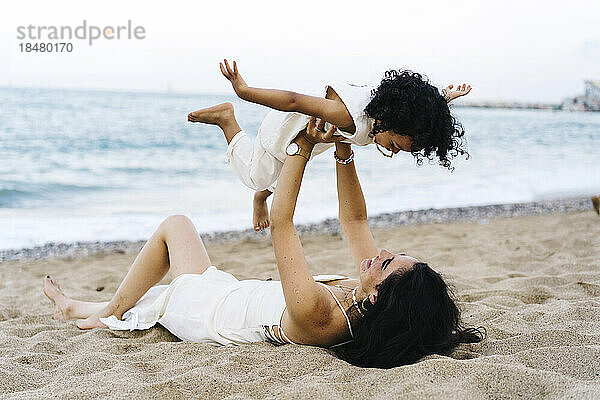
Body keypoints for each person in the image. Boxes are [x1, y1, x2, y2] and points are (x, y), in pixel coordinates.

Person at [43, 118, 483, 368]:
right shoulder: (364, 295)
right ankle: (78, 308)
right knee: (165, 267)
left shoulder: (321, 317)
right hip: (230, 290)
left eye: (386, 265)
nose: (380, 255)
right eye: (392, 255)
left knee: (173, 229)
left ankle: (107, 315)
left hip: (205, 313)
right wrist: (345, 150)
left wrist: (303, 147)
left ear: (380, 299)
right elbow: (354, 219)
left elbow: (283, 223)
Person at [188, 59, 471, 231]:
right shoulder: (348, 118)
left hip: (313, 139)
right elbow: (293, 100)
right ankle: (227, 120)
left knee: (285, 173)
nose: (393, 151)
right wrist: (244, 91)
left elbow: (420, 107)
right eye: (396, 144)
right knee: (258, 176)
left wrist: (443, 97)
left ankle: (264, 193)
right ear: (391, 120)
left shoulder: (393, 112)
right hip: (284, 131)